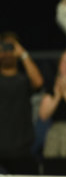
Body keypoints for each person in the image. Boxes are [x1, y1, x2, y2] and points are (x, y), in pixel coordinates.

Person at [0, 32, 43, 161]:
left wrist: (23, 54)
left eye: (11, 47)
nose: (8, 52)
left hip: (21, 146)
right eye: (4, 47)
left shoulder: (24, 80)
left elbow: (38, 82)